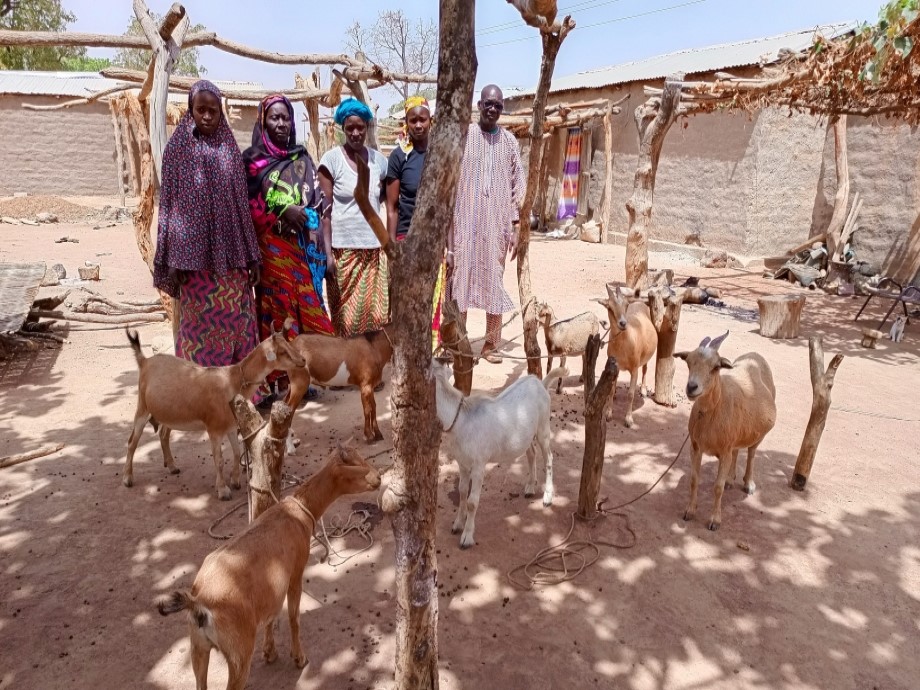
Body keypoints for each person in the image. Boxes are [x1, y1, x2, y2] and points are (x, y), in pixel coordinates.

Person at [153, 80, 261, 367]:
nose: (207, 116)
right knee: (196, 331)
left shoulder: (229, 150)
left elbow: (241, 208)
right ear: (190, 110)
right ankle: (195, 392)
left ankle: (241, 392)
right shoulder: (177, 150)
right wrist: (173, 259)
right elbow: (169, 206)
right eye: (200, 109)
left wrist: (252, 257)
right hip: (193, 265)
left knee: (238, 325)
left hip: (231, 261)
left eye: (213, 110)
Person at [243, 94, 333, 403]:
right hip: (270, 248)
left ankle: (305, 374)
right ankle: (280, 381)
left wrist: (313, 209)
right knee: (278, 311)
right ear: (263, 121)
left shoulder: (301, 157)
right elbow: (248, 208)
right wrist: (282, 212)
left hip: (299, 248)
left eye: (286, 118)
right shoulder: (252, 162)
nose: (281, 123)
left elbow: (316, 199)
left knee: (306, 307)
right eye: (274, 118)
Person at [448, 84, 525, 363]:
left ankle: (491, 344)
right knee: (460, 282)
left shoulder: (509, 142)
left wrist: (516, 228)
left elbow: (519, 187)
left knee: (493, 279)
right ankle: (457, 343)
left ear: (502, 110)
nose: (492, 109)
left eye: (498, 106)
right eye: (488, 104)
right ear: (479, 106)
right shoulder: (464, 136)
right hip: (465, 223)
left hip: (497, 226)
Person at [318, 98, 389, 338]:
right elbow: (324, 213)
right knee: (345, 320)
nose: (356, 133)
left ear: (368, 127)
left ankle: (368, 372)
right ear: (342, 128)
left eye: (361, 127)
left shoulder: (379, 161)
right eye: (350, 128)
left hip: (372, 251)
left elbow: (382, 201)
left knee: (375, 319)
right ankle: (345, 372)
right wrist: (328, 255)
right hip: (343, 252)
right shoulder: (331, 160)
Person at [384, 95, 445, 350]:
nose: (418, 125)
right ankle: (404, 352)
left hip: (433, 241)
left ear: (430, 120)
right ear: (406, 123)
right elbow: (392, 206)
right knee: (405, 299)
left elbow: (446, 204)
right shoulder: (399, 157)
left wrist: (448, 246)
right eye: (413, 120)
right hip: (405, 238)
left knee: (432, 298)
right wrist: (391, 248)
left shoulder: (440, 154)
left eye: (423, 119)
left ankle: (431, 351)